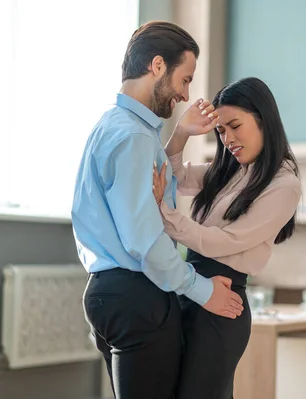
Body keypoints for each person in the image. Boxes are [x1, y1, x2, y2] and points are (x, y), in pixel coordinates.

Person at [72, 21, 244, 399]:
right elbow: (144, 239)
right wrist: (201, 290)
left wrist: (179, 136)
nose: (185, 95)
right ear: (158, 66)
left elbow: (145, 198)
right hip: (137, 297)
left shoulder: (116, 126)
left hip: (109, 293)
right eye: (185, 80)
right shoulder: (134, 136)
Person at [151, 77, 302, 398]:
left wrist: (165, 212)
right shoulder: (230, 169)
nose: (228, 138)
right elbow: (172, 176)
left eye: (235, 125)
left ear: (264, 120)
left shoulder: (283, 184)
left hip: (222, 306)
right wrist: (180, 132)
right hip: (192, 291)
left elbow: (225, 241)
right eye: (221, 130)